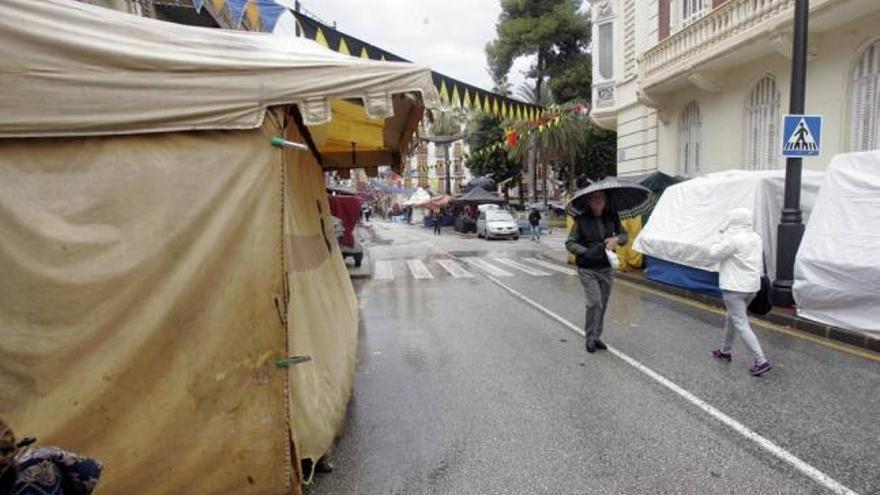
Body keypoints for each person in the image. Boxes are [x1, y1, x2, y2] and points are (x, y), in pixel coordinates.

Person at [707, 208, 772, 376]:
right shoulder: (756, 238)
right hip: (752, 287)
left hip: (734, 287)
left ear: (735, 221)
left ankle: (761, 360)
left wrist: (720, 236)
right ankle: (725, 350)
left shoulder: (733, 240)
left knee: (741, 323)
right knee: (732, 317)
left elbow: (713, 253)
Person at [566, 191, 627, 353]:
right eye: (594, 199)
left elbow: (624, 236)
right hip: (587, 268)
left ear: (605, 201)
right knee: (595, 302)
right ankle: (590, 338)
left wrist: (616, 240)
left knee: (603, 304)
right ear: (588, 202)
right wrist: (585, 251)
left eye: (601, 199)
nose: (598, 202)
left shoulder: (612, 217)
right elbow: (570, 243)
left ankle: (597, 336)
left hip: (606, 268)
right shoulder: (581, 220)